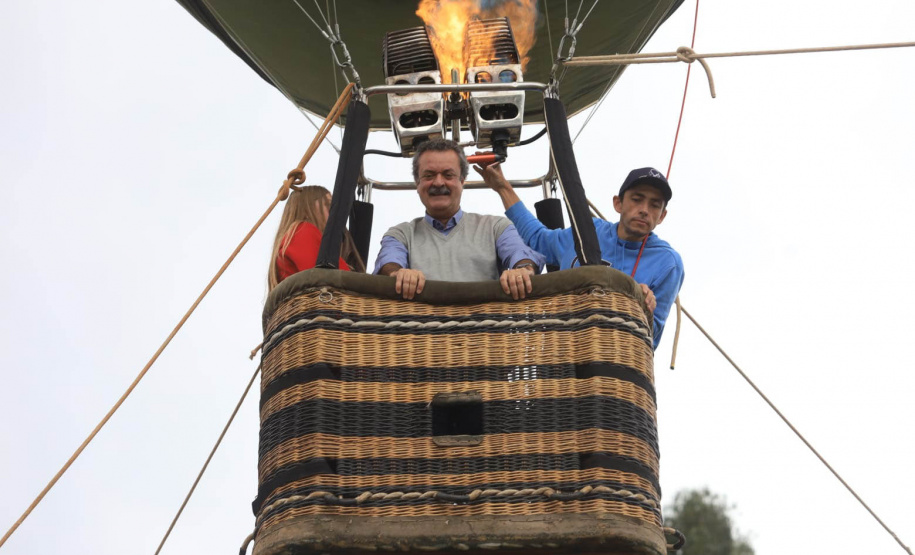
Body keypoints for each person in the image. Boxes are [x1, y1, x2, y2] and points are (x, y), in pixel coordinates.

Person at [478, 163, 684, 349]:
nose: (645, 210)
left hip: (613, 363)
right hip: (560, 350)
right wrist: (502, 187)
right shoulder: (589, 230)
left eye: (655, 205)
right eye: (637, 200)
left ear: (662, 216)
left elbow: (651, 337)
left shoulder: (668, 262)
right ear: (618, 204)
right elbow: (538, 238)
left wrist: (641, 305)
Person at [373, 139, 545, 300]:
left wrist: (522, 270)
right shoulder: (401, 234)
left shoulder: (495, 228)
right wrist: (398, 274)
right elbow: (389, 263)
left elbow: (519, 253)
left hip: (485, 331)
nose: (438, 182)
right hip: (422, 331)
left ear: (462, 181)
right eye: (429, 175)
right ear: (417, 183)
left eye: (448, 175)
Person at [268, 185, 365, 291]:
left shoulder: (293, 236)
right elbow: (326, 275)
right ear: (306, 209)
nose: (334, 212)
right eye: (328, 204)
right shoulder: (302, 230)